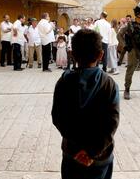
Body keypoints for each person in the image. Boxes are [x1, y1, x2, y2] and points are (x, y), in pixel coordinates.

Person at [51, 29, 119, 179]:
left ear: (73, 55)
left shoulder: (64, 82)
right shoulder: (109, 84)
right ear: (101, 55)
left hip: (72, 156)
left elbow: (58, 117)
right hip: (100, 158)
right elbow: (112, 122)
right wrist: (93, 152)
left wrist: (78, 150)